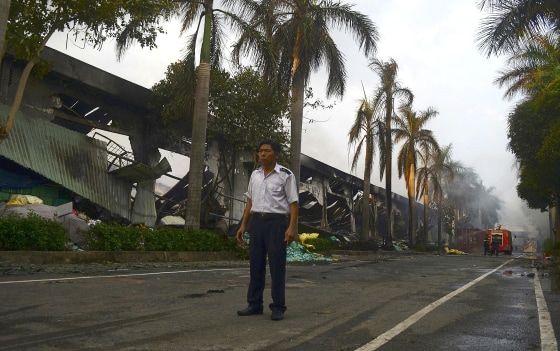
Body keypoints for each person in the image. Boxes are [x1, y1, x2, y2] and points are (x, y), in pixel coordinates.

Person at [236, 140, 299, 321]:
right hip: (257, 223)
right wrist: (243, 225)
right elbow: (249, 201)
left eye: (267, 151)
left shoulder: (286, 175)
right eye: (260, 151)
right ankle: (254, 305)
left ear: (276, 155)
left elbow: (293, 203)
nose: (262, 154)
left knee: (277, 266)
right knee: (255, 265)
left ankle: (278, 307)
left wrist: (290, 228)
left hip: (276, 224)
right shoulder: (255, 175)